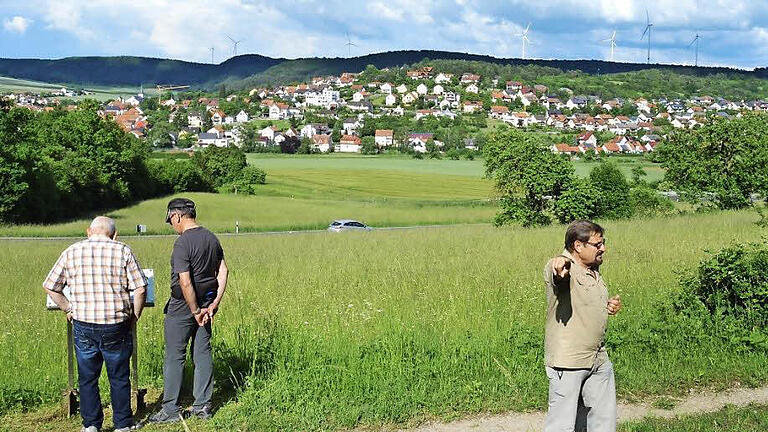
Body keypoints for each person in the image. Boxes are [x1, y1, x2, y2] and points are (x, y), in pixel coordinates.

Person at [43, 216, 147, 432]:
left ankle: (91, 425)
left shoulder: (71, 251)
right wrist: (135, 314)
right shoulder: (123, 250)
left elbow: (50, 286)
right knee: (119, 376)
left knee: (87, 376)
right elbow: (140, 288)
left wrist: (68, 308)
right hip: (116, 323)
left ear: (88, 231)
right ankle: (122, 425)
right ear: (114, 234)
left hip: (83, 322)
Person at [149, 198, 228, 424]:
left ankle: (170, 410)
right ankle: (203, 406)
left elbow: (184, 282)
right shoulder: (212, 237)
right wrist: (214, 305)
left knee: (175, 355)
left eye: (170, 220)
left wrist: (194, 310)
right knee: (202, 353)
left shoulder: (182, 243)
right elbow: (223, 271)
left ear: (177, 216)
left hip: (185, 305)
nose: (172, 225)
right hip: (207, 302)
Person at [543, 220, 622, 432]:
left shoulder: (593, 269)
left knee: (603, 421)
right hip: (569, 361)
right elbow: (557, 275)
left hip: (598, 357)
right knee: (561, 425)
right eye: (598, 245)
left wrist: (607, 306)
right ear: (578, 246)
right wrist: (559, 264)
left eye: (603, 243)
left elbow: (582, 301)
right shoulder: (565, 268)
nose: (603, 248)